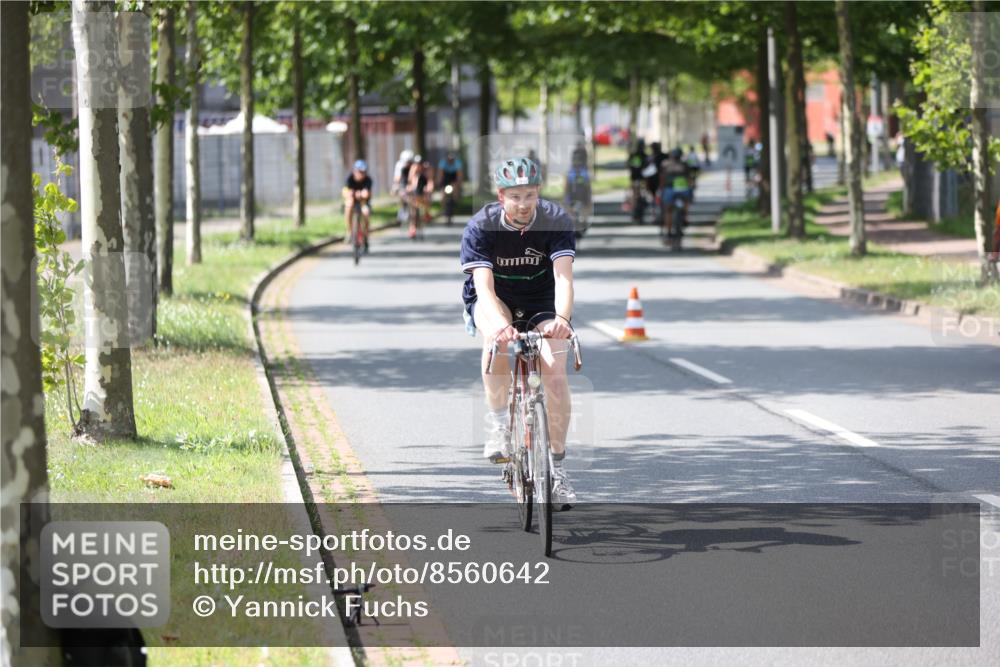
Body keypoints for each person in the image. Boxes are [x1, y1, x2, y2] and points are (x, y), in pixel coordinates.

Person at [459, 156, 578, 510]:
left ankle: (556, 467)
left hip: (542, 297)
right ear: (501, 197)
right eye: (515, 197)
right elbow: (484, 287)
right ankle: (497, 424)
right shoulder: (481, 226)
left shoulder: (555, 220)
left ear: (538, 192)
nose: (523, 204)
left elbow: (563, 278)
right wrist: (502, 326)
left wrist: (561, 319)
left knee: (555, 374)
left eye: (529, 195)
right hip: (497, 299)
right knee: (496, 342)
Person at [658, 148, 692, 242]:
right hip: (683, 190)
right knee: (687, 201)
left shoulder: (665, 164)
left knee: (668, 210)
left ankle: (668, 232)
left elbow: (662, 178)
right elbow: (689, 179)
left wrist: (661, 189)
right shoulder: (685, 165)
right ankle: (685, 217)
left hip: (669, 190)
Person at [564, 144, 592, 239]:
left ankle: (583, 222)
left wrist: (588, 197)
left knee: (583, 210)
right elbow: (567, 187)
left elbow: (587, 187)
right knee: (571, 211)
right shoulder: (571, 172)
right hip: (573, 196)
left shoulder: (584, 172)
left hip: (581, 196)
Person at [343, 159, 372, 252]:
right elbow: (347, 192)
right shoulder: (349, 178)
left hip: (363, 202)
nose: (361, 174)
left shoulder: (368, 180)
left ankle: (365, 236)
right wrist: (355, 194)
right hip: (353, 200)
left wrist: (361, 194)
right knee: (348, 205)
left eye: (363, 172)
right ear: (355, 171)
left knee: (366, 213)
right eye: (360, 171)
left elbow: (367, 194)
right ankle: (349, 231)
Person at [405, 156, 432, 239]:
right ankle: (412, 228)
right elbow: (410, 182)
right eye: (417, 164)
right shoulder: (413, 170)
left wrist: (429, 188)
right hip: (415, 194)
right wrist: (409, 188)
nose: (418, 166)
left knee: (426, 199)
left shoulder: (426, 170)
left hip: (422, 193)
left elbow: (430, 181)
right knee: (413, 212)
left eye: (419, 164)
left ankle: (426, 213)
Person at [438, 151, 464, 224]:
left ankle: (455, 202)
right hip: (446, 178)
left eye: (452, 159)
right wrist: (440, 183)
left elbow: (459, 175)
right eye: (449, 159)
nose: (450, 160)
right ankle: (443, 208)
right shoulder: (442, 163)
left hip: (453, 178)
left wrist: (458, 184)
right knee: (442, 195)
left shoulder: (457, 163)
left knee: (455, 190)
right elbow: (440, 174)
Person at [627, 139, 647, 223]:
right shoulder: (645, 156)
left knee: (634, 196)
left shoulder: (632, 155)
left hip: (634, 178)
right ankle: (637, 212)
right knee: (641, 196)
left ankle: (634, 212)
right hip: (642, 179)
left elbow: (628, 165)